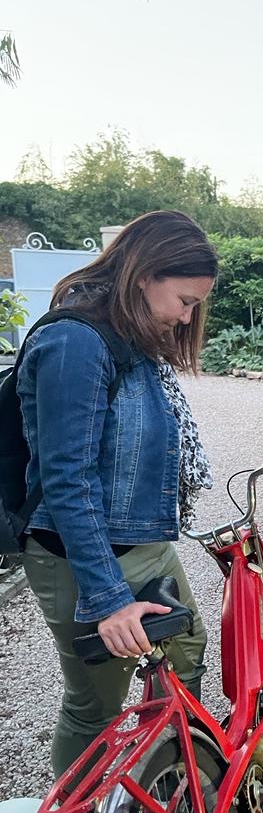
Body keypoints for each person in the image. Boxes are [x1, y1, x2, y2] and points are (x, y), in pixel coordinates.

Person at [18, 210, 217, 777]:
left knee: (187, 653)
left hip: (142, 542)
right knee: (95, 707)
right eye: (184, 301)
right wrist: (107, 601)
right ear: (144, 274)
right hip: (79, 557)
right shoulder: (75, 342)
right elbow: (68, 480)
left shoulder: (134, 337)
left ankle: (171, 780)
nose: (187, 318)